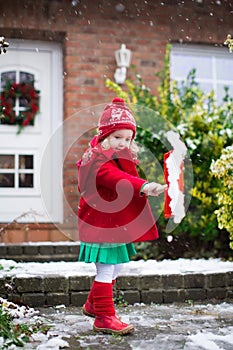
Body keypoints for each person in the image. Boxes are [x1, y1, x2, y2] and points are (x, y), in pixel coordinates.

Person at [77, 97, 167, 335]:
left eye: (128, 139)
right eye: (117, 137)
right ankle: (104, 317)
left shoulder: (114, 157)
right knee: (106, 269)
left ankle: (93, 304)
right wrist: (145, 186)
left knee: (117, 267)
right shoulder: (99, 161)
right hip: (101, 225)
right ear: (105, 135)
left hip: (110, 224)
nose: (122, 143)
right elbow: (116, 179)